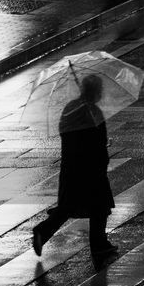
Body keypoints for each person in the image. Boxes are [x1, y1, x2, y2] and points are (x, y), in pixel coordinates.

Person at [32, 75, 117, 256]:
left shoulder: (70, 108)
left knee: (67, 207)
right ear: (96, 92)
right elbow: (98, 144)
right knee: (99, 208)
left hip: (71, 167)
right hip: (91, 170)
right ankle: (99, 245)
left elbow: (67, 134)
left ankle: (42, 231)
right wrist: (103, 157)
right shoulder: (94, 112)